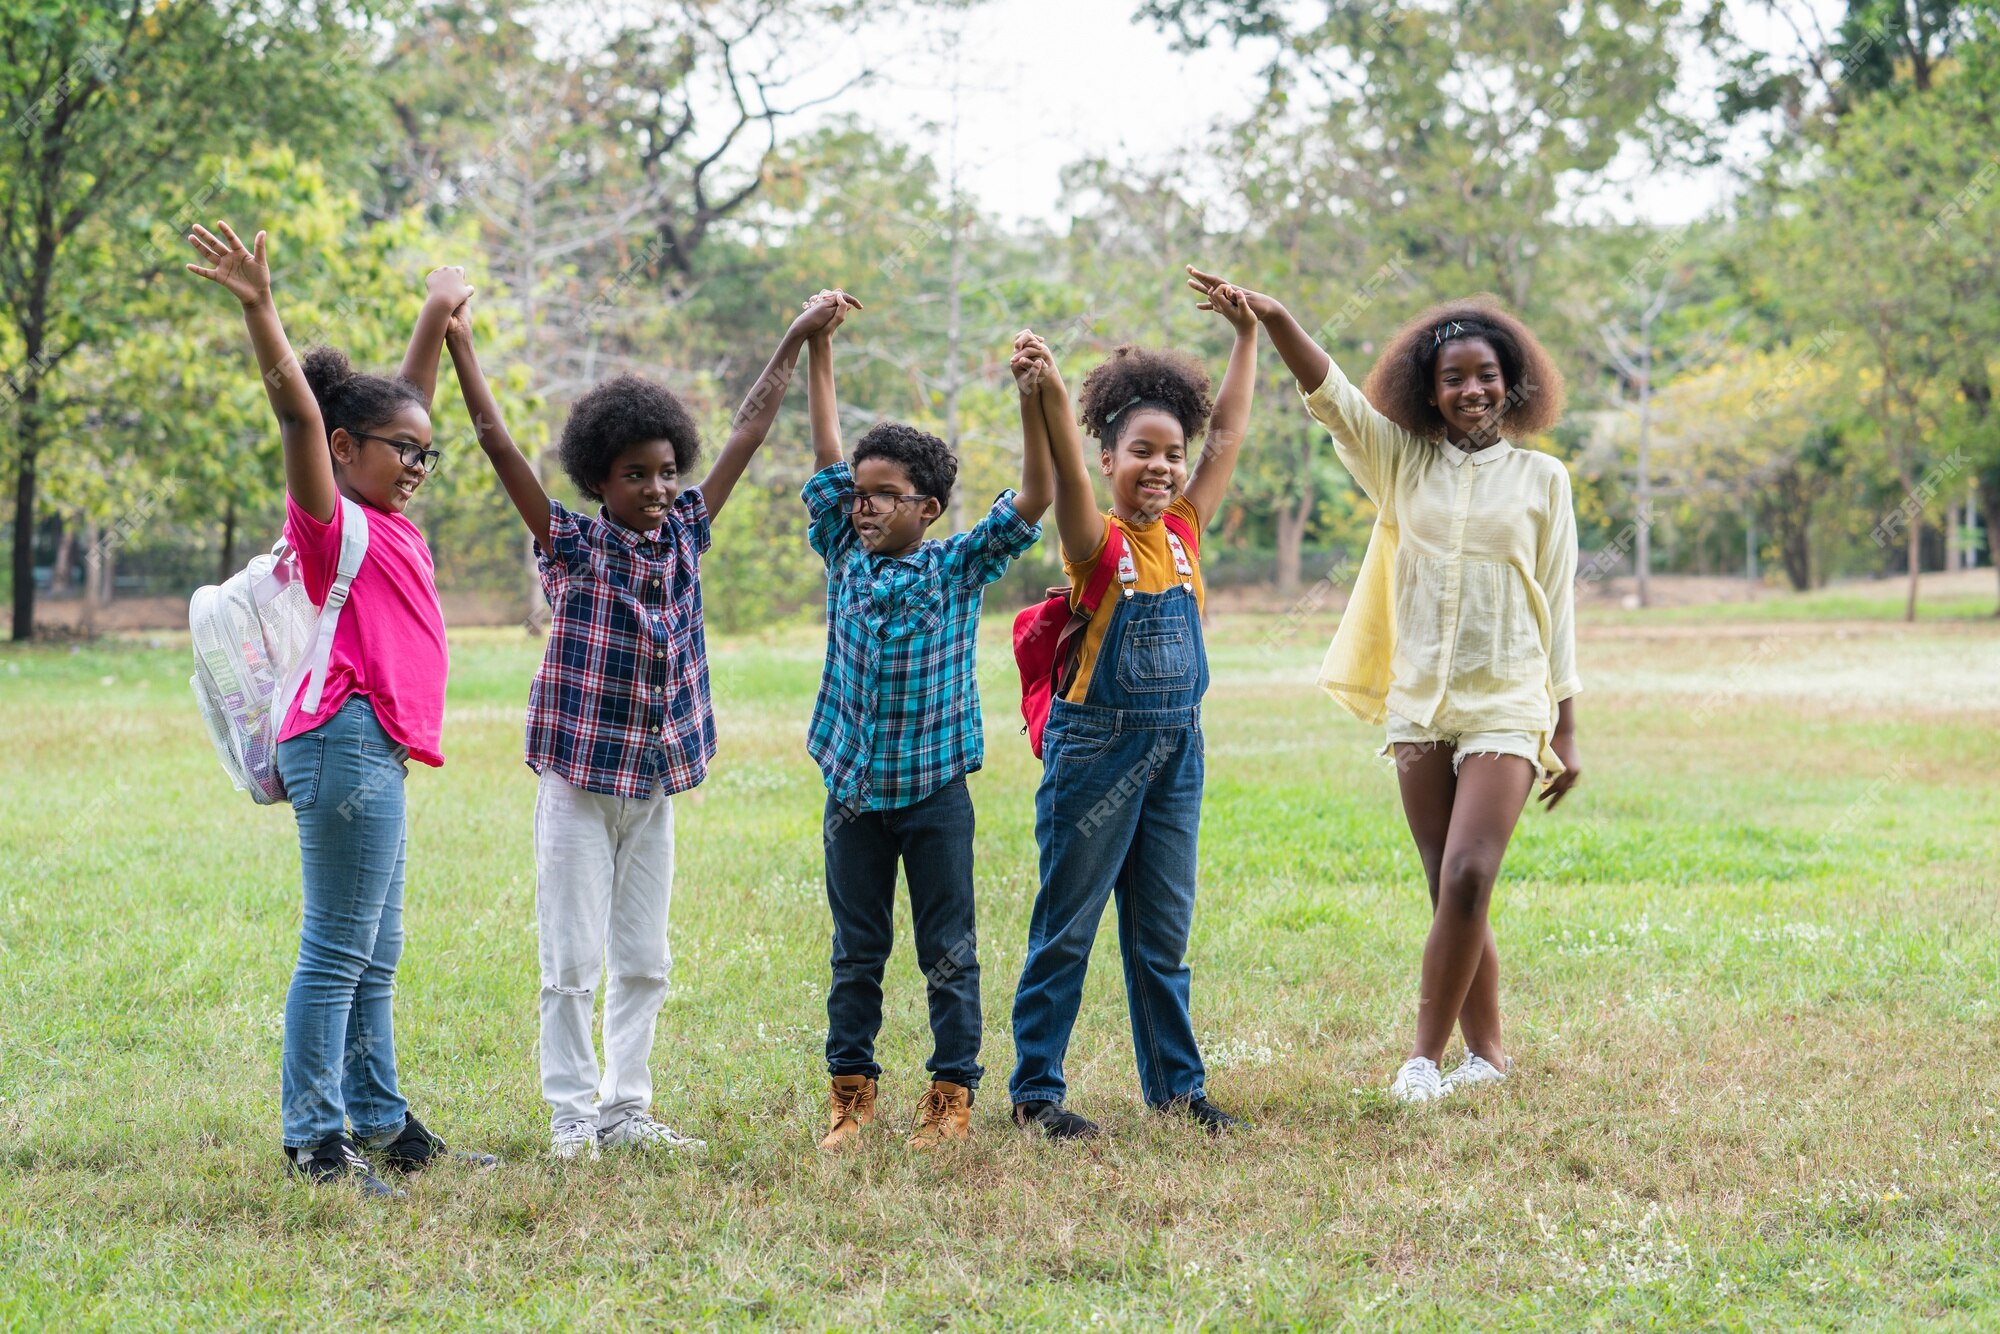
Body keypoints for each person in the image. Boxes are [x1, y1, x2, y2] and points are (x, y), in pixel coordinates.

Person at [1192, 267, 1580, 1103]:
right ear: (1429, 392)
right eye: (1453, 380)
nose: (1471, 391)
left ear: (1513, 385)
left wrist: (1568, 726)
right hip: (1418, 706)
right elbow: (1329, 392)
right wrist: (1275, 315)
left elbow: (1560, 601)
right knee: (1448, 884)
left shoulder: (1545, 481)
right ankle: (1490, 1056)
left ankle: (1421, 1060)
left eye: (1486, 376)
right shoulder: (1399, 461)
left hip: (1508, 699)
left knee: (1472, 874)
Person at [1006, 274, 1259, 1140]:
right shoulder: (1094, 541)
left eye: (1171, 453)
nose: (1161, 465)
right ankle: (1036, 1091)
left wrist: (1246, 340)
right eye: (1140, 451)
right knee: (1066, 928)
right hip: (1095, 752)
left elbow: (1226, 432)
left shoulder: (1185, 529)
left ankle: (1177, 1090)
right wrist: (1042, 395)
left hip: (1176, 750)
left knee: (1162, 936)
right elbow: (1068, 477)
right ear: (1108, 461)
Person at [801, 293, 1052, 1150]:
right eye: (859, 497)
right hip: (853, 792)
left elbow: (1039, 494)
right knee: (856, 950)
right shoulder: (841, 551)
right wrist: (817, 349)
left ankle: (951, 1094)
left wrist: (1032, 397)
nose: (863, 507)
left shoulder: (957, 569)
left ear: (927, 510)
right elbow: (828, 450)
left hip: (936, 793)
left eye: (884, 497)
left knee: (949, 948)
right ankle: (851, 1092)